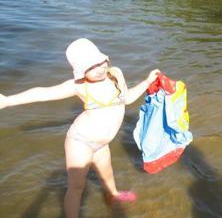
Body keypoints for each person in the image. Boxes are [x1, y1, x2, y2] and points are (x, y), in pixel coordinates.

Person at [0, 38, 160, 218]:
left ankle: (113, 195)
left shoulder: (115, 74)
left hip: (102, 144)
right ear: (81, 70)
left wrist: (146, 82)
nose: (99, 68)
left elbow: (127, 98)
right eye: (91, 67)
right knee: (76, 187)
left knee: (107, 175)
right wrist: (7, 101)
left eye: (101, 62)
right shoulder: (79, 87)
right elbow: (43, 93)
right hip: (80, 142)